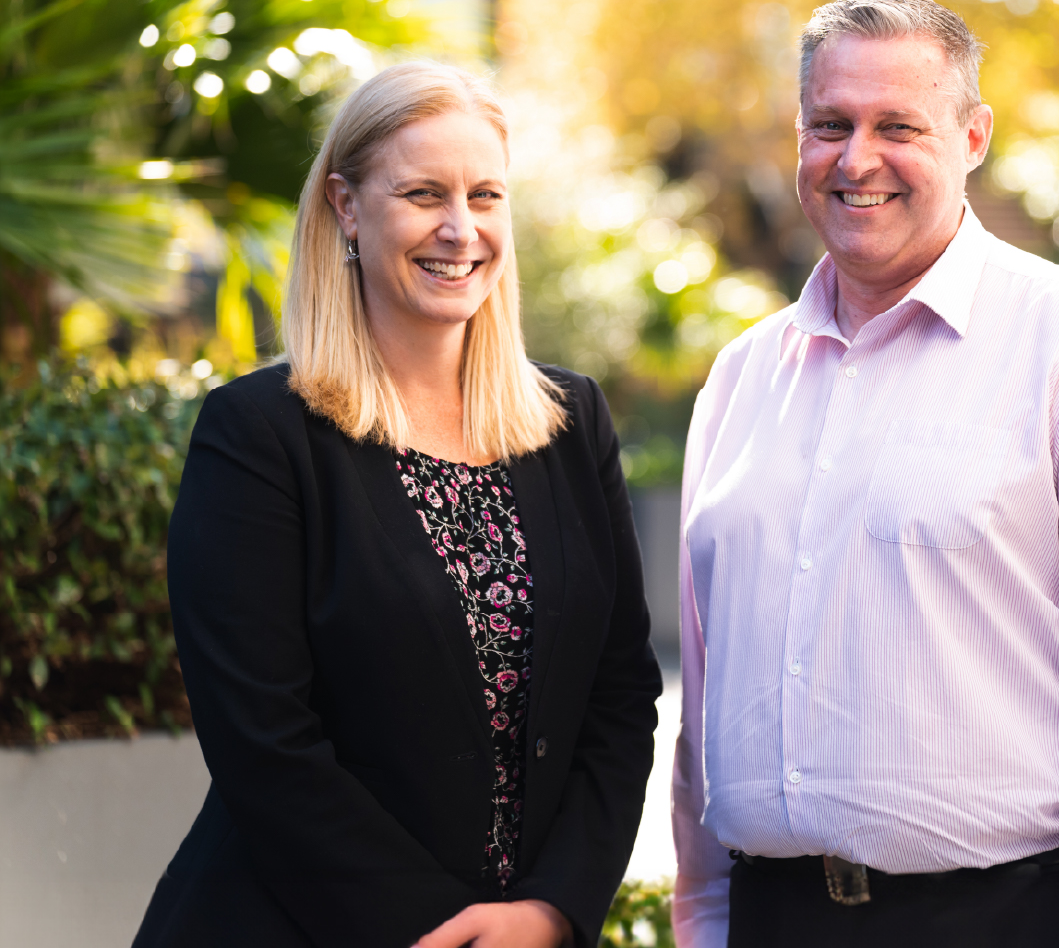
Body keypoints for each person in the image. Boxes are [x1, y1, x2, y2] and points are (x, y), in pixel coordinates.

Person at [671, 0, 1059, 948]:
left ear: (973, 137)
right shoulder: (740, 378)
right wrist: (707, 923)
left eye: (899, 125)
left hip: (1005, 920)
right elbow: (704, 696)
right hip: (771, 921)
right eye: (830, 125)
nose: (857, 159)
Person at [134, 61, 663, 948]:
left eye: (485, 195)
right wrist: (438, 929)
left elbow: (620, 695)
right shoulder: (259, 435)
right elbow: (265, 739)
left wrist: (550, 909)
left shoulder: (572, 423)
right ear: (346, 206)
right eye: (424, 193)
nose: (462, 230)